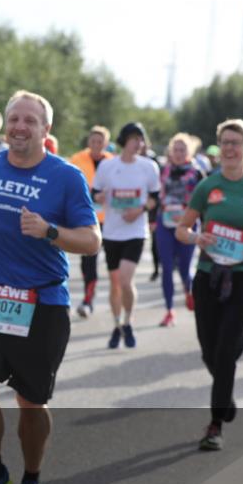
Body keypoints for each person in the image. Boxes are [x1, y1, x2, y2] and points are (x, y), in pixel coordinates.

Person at [0, 90, 100, 484]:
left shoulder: (66, 176)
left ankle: (32, 480)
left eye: (29, 121)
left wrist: (49, 231)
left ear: (45, 130)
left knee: (30, 402)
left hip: (44, 301)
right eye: (13, 118)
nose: (19, 127)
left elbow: (92, 241)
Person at [175, 118, 243, 451]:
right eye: (225, 142)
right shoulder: (207, 186)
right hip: (209, 274)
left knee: (226, 348)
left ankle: (215, 423)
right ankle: (226, 393)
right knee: (211, 349)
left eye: (236, 142)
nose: (230, 148)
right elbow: (181, 229)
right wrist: (197, 237)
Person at [91, 122, 160, 349]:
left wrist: (139, 210)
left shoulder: (149, 167)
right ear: (124, 140)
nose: (138, 143)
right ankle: (117, 324)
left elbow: (155, 198)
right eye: (134, 138)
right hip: (111, 231)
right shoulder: (107, 166)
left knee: (125, 279)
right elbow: (94, 192)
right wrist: (100, 197)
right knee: (114, 284)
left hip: (135, 231)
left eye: (141, 139)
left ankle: (129, 320)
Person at [153, 133, 204, 327]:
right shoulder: (163, 170)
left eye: (183, 150)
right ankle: (169, 311)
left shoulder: (197, 172)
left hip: (188, 225)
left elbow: (206, 201)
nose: (179, 153)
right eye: (176, 149)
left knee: (185, 269)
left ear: (189, 152)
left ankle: (188, 291)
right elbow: (156, 195)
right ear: (171, 151)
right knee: (166, 267)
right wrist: (152, 220)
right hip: (165, 223)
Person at [68, 126, 114, 318]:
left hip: (110, 219)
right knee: (89, 260)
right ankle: (88, 299)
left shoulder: (113, 162)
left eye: (100, 142)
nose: (96, 145)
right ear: (89, 142)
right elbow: (69, 185)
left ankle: (115, 299)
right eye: (93, 141)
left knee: (113, 263)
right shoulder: (77, 159)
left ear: (105, 144)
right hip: (86, 218)